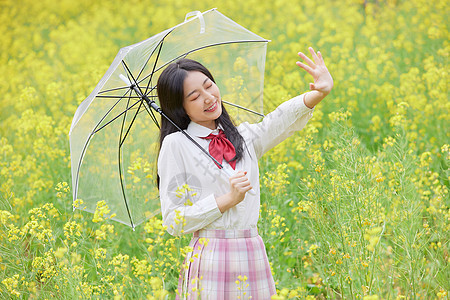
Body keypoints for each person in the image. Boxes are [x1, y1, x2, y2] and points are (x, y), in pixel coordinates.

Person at [157, 47, 333, 299]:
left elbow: (278, 121)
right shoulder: (176, 145)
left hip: (251, 249)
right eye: (195, 96)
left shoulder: (243, 136)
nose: (208, 97)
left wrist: (318, 92)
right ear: (180, 107)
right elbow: (174, 220)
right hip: (210, 254)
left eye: (209, 86)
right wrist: (226, 201)